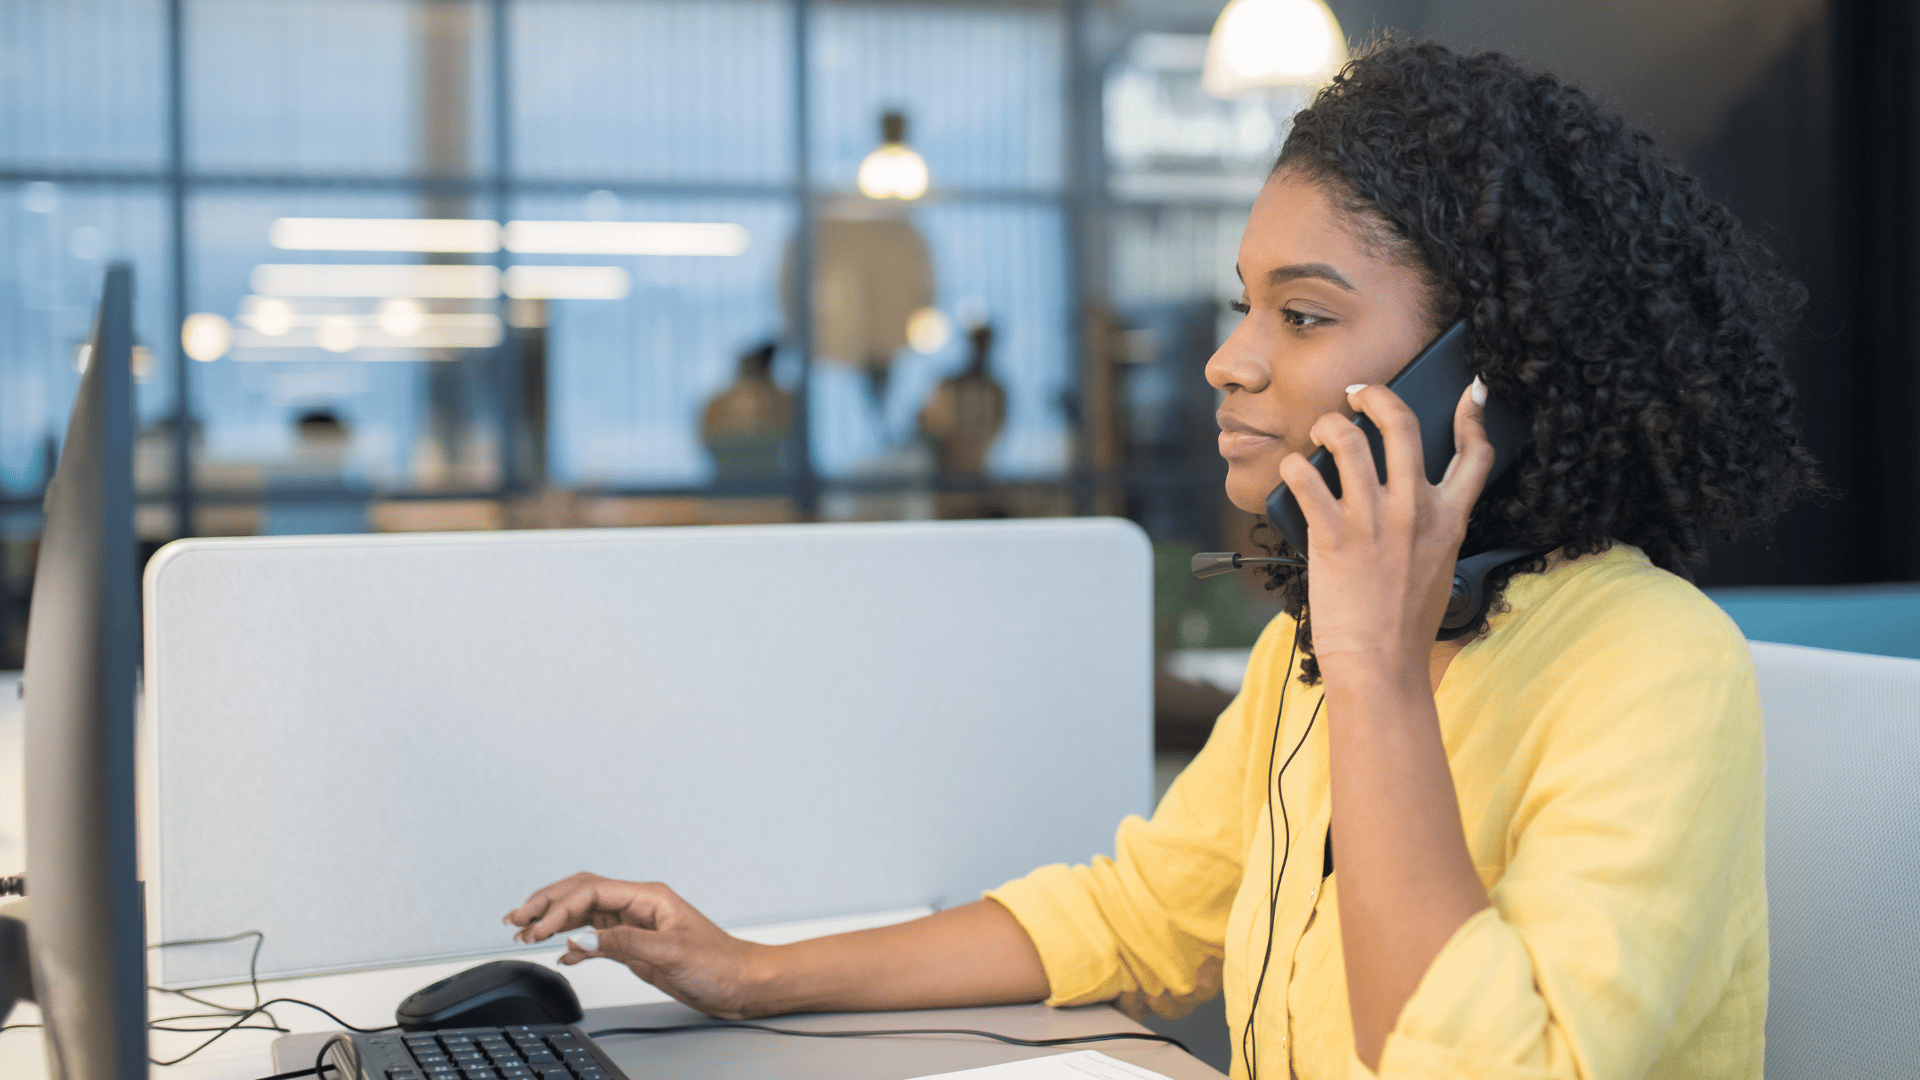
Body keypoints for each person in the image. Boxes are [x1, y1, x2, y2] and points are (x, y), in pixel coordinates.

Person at [504, 42, 1818, 1079]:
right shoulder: (1307, 657)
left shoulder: (1649, 666)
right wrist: (752, 974)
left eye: (1302, 315)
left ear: (1488, 378)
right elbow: (1137, 919)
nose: (1231, 359)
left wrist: (1376, 676)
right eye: (1239, 305)